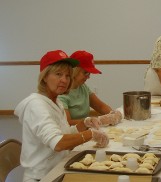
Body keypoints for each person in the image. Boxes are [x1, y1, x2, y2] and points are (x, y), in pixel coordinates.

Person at [14, 50, 109, 182]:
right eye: (58, 74)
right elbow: (58, 143)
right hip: (42, 177)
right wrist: (90, 135)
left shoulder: (56, 101)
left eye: (67, 76)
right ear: (45, 76)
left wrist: (84, 124)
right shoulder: (36, 105)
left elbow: (63, 132)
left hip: (58, 168)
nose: (64, 80)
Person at [58, 50, 122, 126]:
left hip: (86, 129)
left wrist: (113, 114)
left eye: (89, 73)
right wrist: (95, 121)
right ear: (74, 71)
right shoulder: (62, 93)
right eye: (85, 73)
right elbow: (67, 123)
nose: (88, 77)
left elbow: (100, 106)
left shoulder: (83, 87)